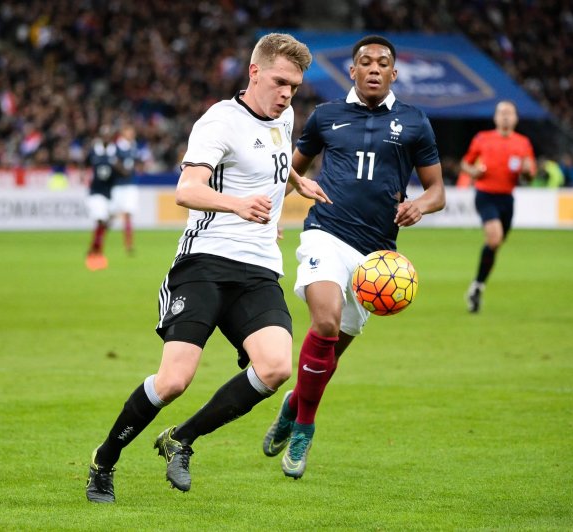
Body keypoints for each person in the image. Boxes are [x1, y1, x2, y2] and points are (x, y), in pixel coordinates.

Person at [85, 32, 330, 503]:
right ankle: (104, 462)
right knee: (175, 380)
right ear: (254, 72)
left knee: (277, 367)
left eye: (295, 87)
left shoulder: (284, 115)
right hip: (205, 263)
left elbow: (273, 163)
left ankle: (182, 438)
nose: (287, 94)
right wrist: (238, 205)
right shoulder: (218, 122)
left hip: (258, 268)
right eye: (280, 82)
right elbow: (186, 189)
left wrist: (299, 181)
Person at [261, 35, 445, 479]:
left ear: (394, 73)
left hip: (377, 257)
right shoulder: (326, 117)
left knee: (330, 355)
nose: (375, 68)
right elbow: (292, 172)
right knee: (324, 322)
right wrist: (268, 216)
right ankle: (305, 428)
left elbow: (437, 189)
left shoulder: (415, 122)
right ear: (353, 71)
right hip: (326, 233)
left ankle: (292, 406)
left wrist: (420, 205)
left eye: (384, 63)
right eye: (366, 62)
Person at [461, 100, 535, 313]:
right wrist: (473, 172)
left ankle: (477, 286)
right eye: (501, 112)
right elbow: (466, 163)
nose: (505, 116)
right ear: (495, 117)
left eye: (509, 113)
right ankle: (477, 286)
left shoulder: (523, 143)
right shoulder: (483, 138)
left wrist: (528, 172)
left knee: (495, 244)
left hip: (507, 199)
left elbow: (528, 176)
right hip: (485, 195)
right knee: (494, 238)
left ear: (515, 118)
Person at [84, 125, 119, 271]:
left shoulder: (114, 151)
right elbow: (85, 163)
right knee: (101, 220)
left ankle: (94, 247)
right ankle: (97, 250)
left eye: (108, 135)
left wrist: (118, 165)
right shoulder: (94, 150)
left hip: (110, 193)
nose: (106, 137)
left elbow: (122, 170)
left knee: (107, 222)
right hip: (95, 192)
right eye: (104, 135)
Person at [110, 124, 141, 255]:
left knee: (128, 214)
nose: (131, 134)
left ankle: (128, 244)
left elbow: (136, 163)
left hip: (130, 185)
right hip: (118, 185)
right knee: (111, 215)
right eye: (129, 131)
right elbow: (112, 162)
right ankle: (100, 240)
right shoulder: (115, 147)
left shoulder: (133, 146)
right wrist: (122, 170)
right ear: (123, 132)